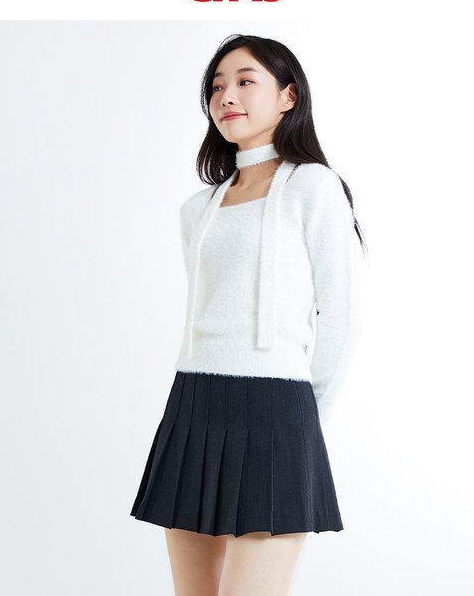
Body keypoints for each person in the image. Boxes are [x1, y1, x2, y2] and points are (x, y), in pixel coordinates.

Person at [130, 33, 367, 596]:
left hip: (277, 409)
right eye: (216, 87)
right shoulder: (198, 208)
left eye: (244, 81)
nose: (226, 97)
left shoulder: (314, 187)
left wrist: (302, 421)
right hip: (192, 404)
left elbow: (342, 315)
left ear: (288, 96)